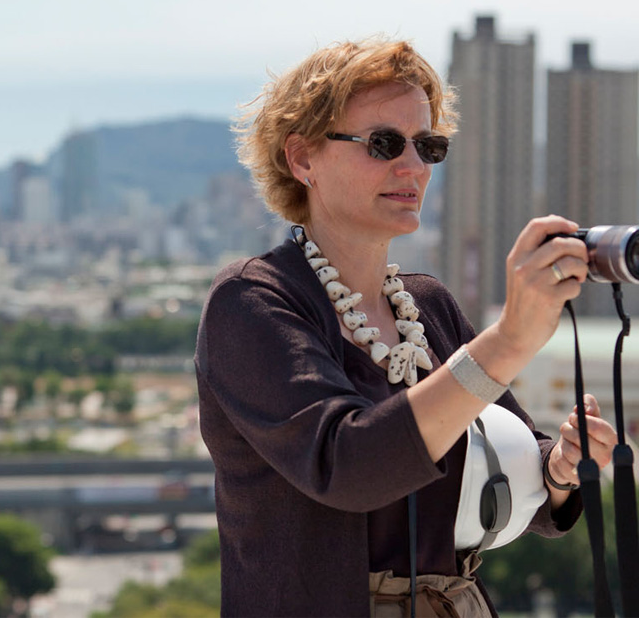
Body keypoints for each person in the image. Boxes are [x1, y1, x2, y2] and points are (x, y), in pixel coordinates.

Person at [195, 38, 616, 617]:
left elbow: (514, 460)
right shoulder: (252, 301)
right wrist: (509, 339)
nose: (414, 166)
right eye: (383, 143)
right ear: (302, 159)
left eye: (428, 145)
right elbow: (347, 466)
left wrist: (560, 469)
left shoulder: (427, 305)